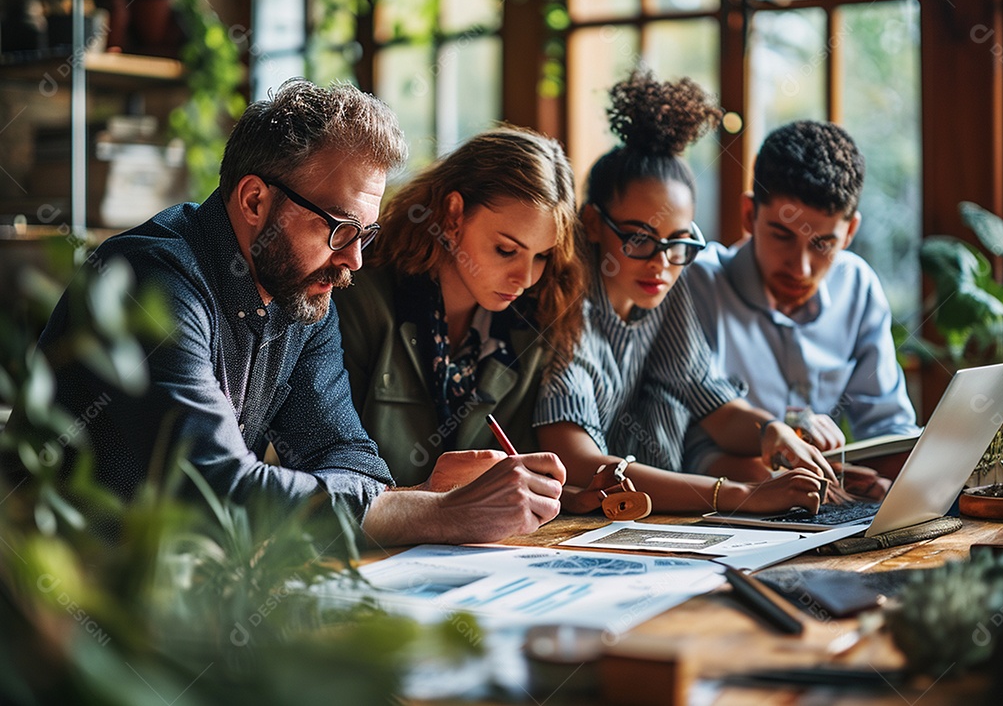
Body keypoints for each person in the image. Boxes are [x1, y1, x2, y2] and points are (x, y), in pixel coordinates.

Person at [16, 79, 564, 546]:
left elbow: (350, 461)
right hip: (63, 612)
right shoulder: (148, 280)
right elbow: (221, 491)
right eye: (340, 229)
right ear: (255, 201)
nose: (353, 259)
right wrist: (440, 511)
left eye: (365, 235)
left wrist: (415, 501)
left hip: (189, 590)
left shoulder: (305, 292)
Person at [534, 69, 835, 516]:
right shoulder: (565, 301)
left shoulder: (665, 289)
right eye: (638, 238)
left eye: (678, 241)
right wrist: (739, 496)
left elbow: (712, 403)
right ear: (594, 223)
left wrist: (771, 431)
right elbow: (578, 464)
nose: (660, 262)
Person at [335, 127, 584, 487]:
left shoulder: (531, 326)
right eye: (506, 250)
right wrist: (434, 499)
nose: (526, 278)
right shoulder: (360, 299)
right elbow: (333, 480)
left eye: (543, 256)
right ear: (453, 216)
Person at [684, 120, 919, 474]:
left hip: (831, 504)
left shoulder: (856, 286)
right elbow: (683, 445)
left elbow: (889, 429)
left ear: (850, 231)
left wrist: (879, 483)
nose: (802, 268)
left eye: (823, 244)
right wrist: (791, 480)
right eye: (781, 235)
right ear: (749, 215)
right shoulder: (697, 285)